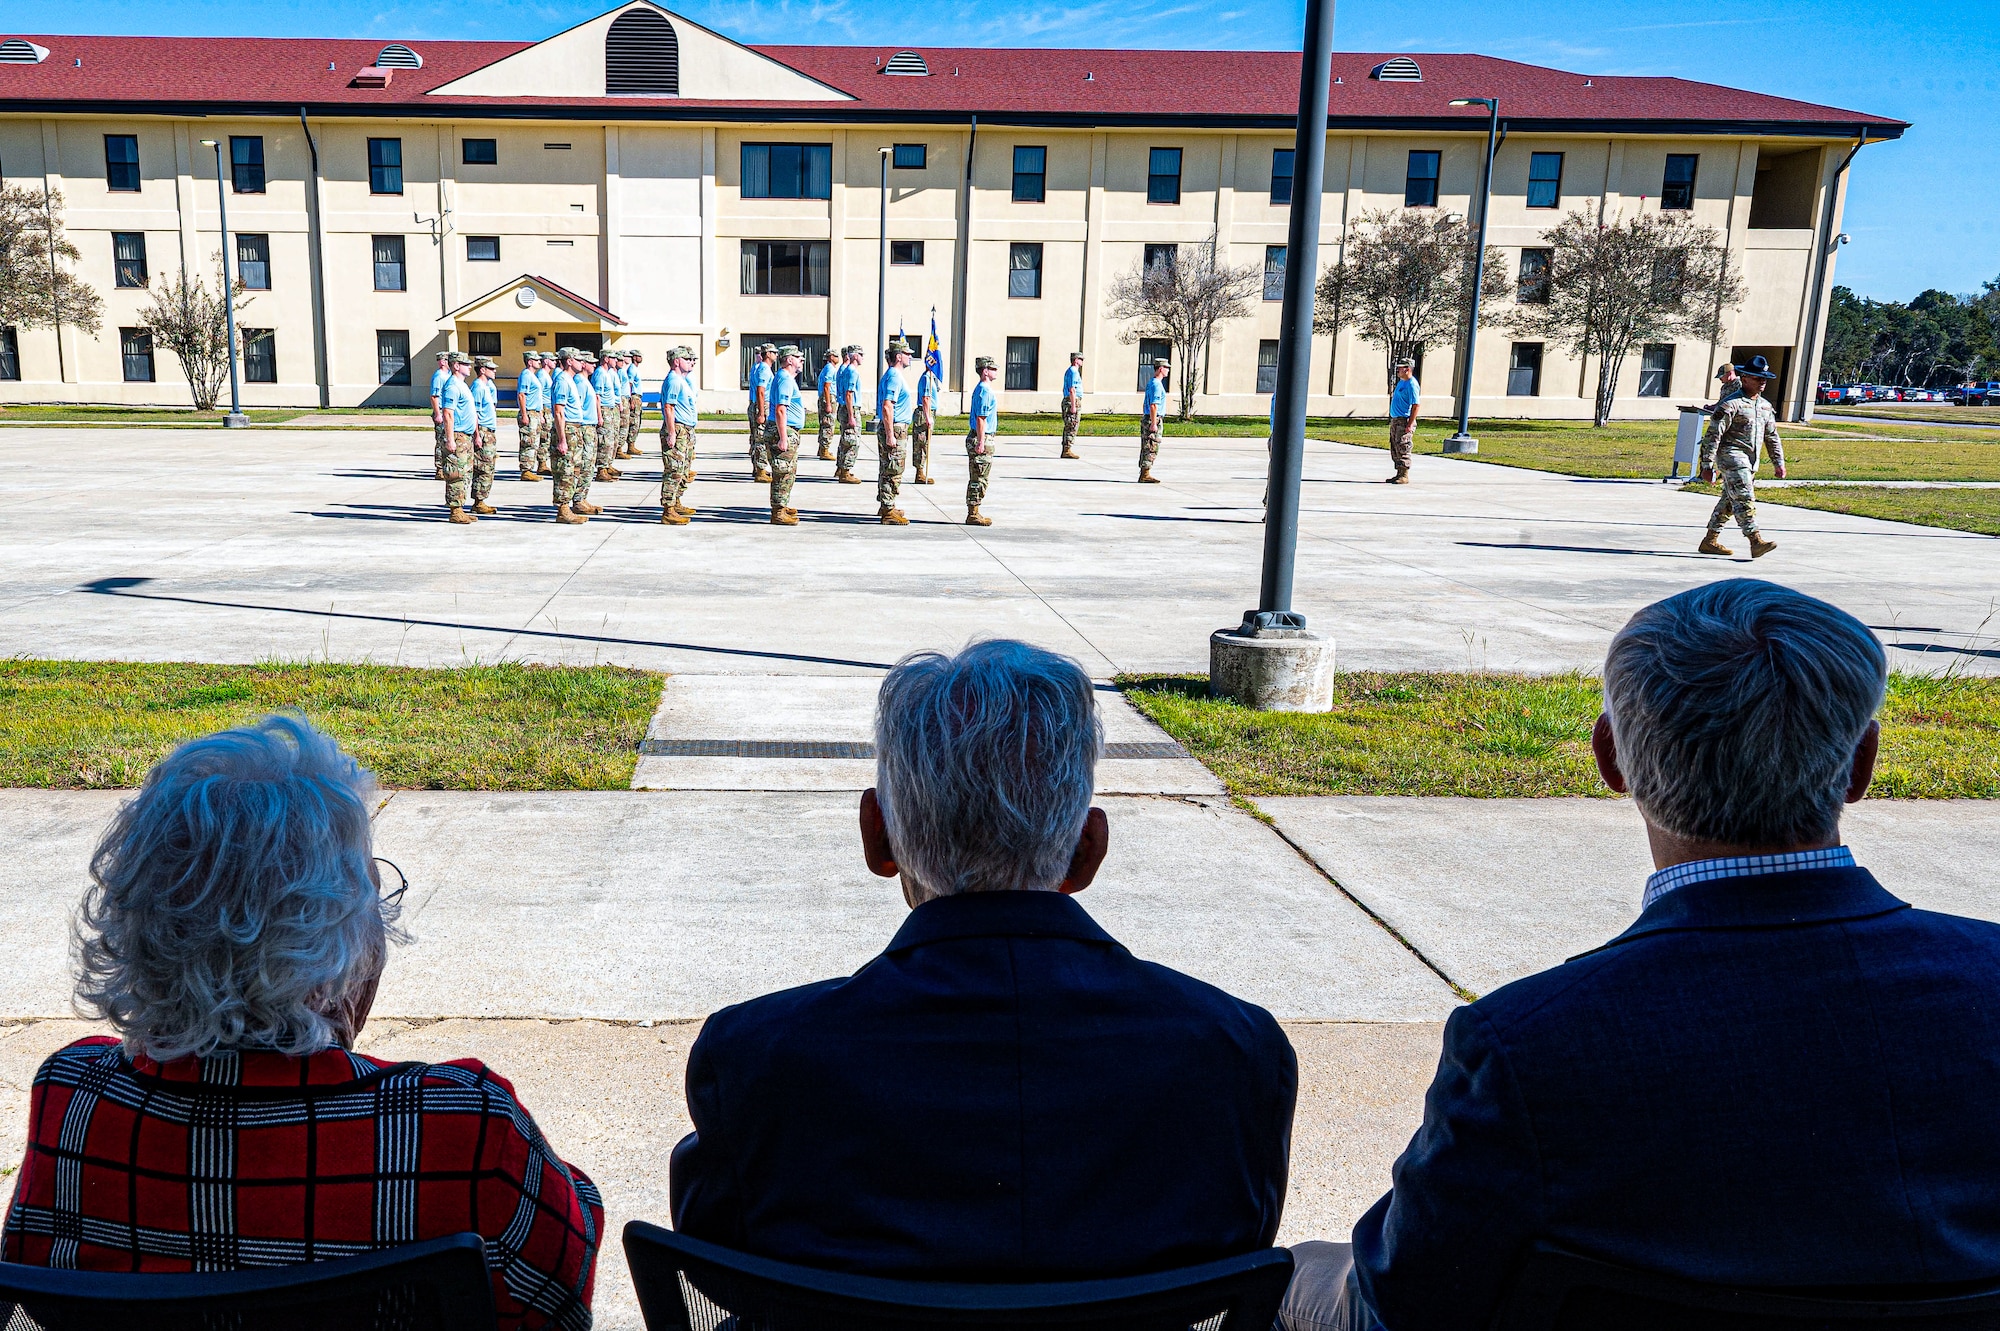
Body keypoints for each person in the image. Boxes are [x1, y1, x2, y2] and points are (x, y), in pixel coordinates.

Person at [1283, 578, 2000, 1331]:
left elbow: (1403, 1303)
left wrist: (1301, 1276)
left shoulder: (1531, 1049)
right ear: (1862, 764)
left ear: (1611, 758)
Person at [670, 640, 1296, 1280]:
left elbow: (715, 1264)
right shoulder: (1235, 1054)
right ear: (1087, 851)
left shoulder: (756, 1059)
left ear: (877, 836)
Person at [1, 716, 603, 1331]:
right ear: (330, 952)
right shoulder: (466, 1131)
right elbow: (562, 1294)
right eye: (371, 902)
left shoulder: (72, 1101)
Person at [1698, 354, 1785, 558]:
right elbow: (1713, 435)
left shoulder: (1764, 406)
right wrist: (1707, 464)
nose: (1762, 382)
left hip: (1750, 460)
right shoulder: (1731, 404)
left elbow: (1772, 436)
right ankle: (1755, 541)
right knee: (1745, 496)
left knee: (1729, 500)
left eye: (1764, 378)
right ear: (1744, 378)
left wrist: (1778, 463)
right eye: (1757, 378)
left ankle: (1710, 540)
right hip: (1731, 457)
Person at [555, 347, 600, 521]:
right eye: (578, 359)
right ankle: (563, 509)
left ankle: (573, 503)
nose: (582, 362)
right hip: (568, 429)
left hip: (575, 428)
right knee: (565, 470)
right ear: (569, 361)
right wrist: (562, 439)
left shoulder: (570, 380)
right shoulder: (563, 381)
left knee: (574, 469)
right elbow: (559, 411)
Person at [876, 338, 916, 526]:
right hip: (895, 428)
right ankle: (888, 508)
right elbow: (887, 407)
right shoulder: (893, 376)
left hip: (897, 427)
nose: (910, 357)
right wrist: (890, 434)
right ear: (898, 357)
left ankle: (887, 505)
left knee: (889, 467)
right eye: (907, 354)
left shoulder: (895, 375)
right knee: (893, 469)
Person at [659, 344, 700, 526]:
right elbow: (668, 407)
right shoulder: (674, 380)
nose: (690, 362)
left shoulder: (681, 380)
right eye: (686, 359)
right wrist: (671, 432)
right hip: (678, 429)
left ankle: (675, 502)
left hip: (686, 429)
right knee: (674, 470)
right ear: (676, 361)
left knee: (683, 469)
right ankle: (668, 510)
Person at [767, 344, 806, 526]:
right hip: (783, 430)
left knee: (788, 472)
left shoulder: (787, 378)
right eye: (799, 358)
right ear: (789, 360)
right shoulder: (785, 379)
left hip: (788, 430)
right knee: (783, 473)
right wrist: (783, 437)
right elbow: (781, 410)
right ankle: (778, 511)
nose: (802, 360)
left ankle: (782, 505)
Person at [439, 351, 479, 525]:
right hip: (457, 435)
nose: (470, 367)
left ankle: (460, 508)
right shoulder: (452, 386)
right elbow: (448, 413)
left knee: (465, 474)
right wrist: (450, 439)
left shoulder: (462, 385)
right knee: (456, 474)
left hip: (466, 436)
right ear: (456, 366)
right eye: (466, 364)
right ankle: (455, 511)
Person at [966, 355, 999, 526]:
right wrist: (980, 442)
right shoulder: (984, 391)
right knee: (979, 477)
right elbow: (981, 418)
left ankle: (974, 510)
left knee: (980, 476)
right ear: (985, 371)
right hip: (982, 437)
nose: (996, 371)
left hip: (984, 436)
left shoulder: (983, 389)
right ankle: (973, 512)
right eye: (992, 368)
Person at [466, 355, 501, 516]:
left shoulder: (486, 386)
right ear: (482, 370)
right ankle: (478, 501)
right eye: (491, 368)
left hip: (489, 431)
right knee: (483, 467)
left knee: (488, 467)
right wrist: (477, 435)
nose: (494, 371)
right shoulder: (478, 387)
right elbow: (475, 413)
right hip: (483, 431)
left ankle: (481, 499)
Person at [516, 351, 550, 482]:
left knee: (534, 442)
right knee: (528, 442)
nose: (539, 362)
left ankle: (531, 468)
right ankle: (526, 470)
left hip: (535, 413)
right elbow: (522, 395)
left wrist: (540, 414)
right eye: (536, 360)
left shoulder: (532, 375)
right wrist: (524, 414)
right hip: (529, 412)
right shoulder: (526, 375)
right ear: (529, 362)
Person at [588, 351, 621, 484]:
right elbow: (597, 396)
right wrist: (599, 416)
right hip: (604, 410)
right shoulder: (600, 373)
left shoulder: (607, 373)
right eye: (613, 358)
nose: (616, 360)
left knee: (611, 440)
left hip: (610, 409)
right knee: (604, 440)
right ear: (606, 359)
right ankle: (601, 470)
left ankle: (607, 465)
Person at [835, 344, 865, 484]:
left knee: (845, 440)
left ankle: (842, 468)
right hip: (850, 408)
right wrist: (852, 416)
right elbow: (849, 394)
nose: (862, 357)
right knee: (852, 441)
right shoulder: (852, 371)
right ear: (855, 356)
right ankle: (845, 472)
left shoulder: (846, 370)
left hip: (845, 407)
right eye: (861, 354)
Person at [1386, 357, 1419, 484]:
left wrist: (1410, 424)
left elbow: (1416, 405)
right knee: (1395, 446)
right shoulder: (1401, 382)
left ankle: (1404, 474)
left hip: (1404, 420)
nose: (1398, 370)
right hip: (1396, 420)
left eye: (1400, 368)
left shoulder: (1412, 384)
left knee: (1403, 446)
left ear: (1408, 369)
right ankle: (1398, 472)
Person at [748, 343, 776, 482]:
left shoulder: (760, 368)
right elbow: (761, 391)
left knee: (757, 438)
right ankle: (760, 470)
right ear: (768, 354)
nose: (776, 355)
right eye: (774, 352)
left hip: (759, 404)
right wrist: (761, 412)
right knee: (761, 438)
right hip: (762, 405)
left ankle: (758, 468)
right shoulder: (764, 369)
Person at [1139, 356, 1168, 482]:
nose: (1168, 370)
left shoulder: (1151, 382)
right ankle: (1145, 474)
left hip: (1148, 417)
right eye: (1166, 368)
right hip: (1153, 418)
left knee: (1146, 445)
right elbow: (1153, 405)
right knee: (1151, 446)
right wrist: (1154, 422)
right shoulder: (1157, 385)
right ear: (1161, 369)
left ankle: (1144, 472)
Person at [912, 359, 938, 485]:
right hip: (924, 412)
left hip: (928, 411)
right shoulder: (926, 378)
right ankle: (920, 472)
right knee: (921, 443)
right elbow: (926, 398)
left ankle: (921, 471)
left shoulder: (931, 378)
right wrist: (928, 417)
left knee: (925, 443)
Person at [428, 350, 452, 479]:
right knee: (441, 440)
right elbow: (434, 396)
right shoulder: (439, 376)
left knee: (446, 438)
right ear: (442, 362)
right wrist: (438, 413)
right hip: (441, 411)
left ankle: (445, 466)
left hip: (446, 411)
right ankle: (439, 469)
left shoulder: (447, 375)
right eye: (448, 360)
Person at [816, 348, 840, 462]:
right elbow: (827, 386)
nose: (837, 358)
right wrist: (828, 403)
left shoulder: (827, 369)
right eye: (835, 356)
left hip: (827, 397)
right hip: (829, 397)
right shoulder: (830, 369)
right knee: (828, 424)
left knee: (825, 423)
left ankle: (822, 448)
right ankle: (824, 449)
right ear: (831, 357)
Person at [622, 349, 646, 459]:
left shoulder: (635, 368)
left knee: (637, 422)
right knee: (634, 422)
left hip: (638, 397)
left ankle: (632, 444)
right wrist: (631, 399)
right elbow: (630, 384)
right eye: (638, 356)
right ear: (634, 357)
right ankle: (630, 445)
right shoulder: (632, 369)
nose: (641, 357)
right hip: (634, 396)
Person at [1060, 351, 1085, 459]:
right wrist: (1073, 405)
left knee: (1070, 425)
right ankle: (1067, 449)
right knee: (1072, 425)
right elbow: (1072, 389)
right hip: (1072, 400)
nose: (1082, 361)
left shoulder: (1072, 371)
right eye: (1081, 359)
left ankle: (1067, 448)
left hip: (1071, 400)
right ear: (1076, 360)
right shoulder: (1073, 371)